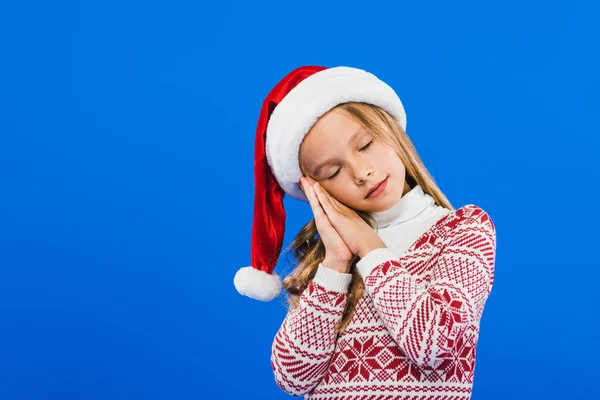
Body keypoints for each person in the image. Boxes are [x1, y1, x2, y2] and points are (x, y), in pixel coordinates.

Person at [233, 66, 497, 399]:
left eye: (366, 144)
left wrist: (368, 247)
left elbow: (435, 342)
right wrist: (336, 262)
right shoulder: (329, 264)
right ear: (317, 190)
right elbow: (293, 377)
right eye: (334, 171)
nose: (361, 172)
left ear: (391, 131)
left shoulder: (462, 230)